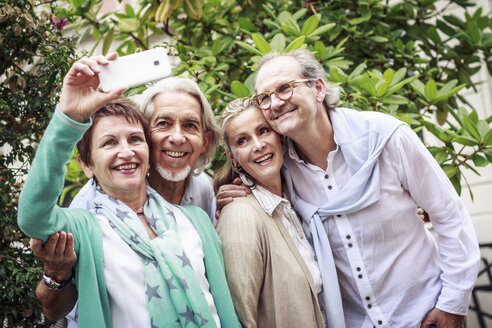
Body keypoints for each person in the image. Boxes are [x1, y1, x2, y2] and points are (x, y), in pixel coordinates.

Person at [217, 49, 480, 328]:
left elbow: (449, 215)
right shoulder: (280, 170)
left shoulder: (385, 137)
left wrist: (453, 303)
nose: (275, 103)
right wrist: (229, 196)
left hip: (425, 315)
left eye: (284, 88)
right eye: (265, 97)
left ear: (318, 88)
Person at [18, 54, 240, 327]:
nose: (126, 152)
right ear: (87, 164)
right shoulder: (85, 224)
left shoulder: (196, 218)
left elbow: (224, 308)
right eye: (109, 143)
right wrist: (69, 119)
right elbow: (32, 216)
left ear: (147, 151)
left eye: (135, 139)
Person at [213, 98, 329, 327]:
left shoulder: (297, 202)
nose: (258, 145)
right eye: (243, 140)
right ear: (233, 157)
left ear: (280, 137)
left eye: (263, 131)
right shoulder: (241, 216)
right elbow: (241, 318)